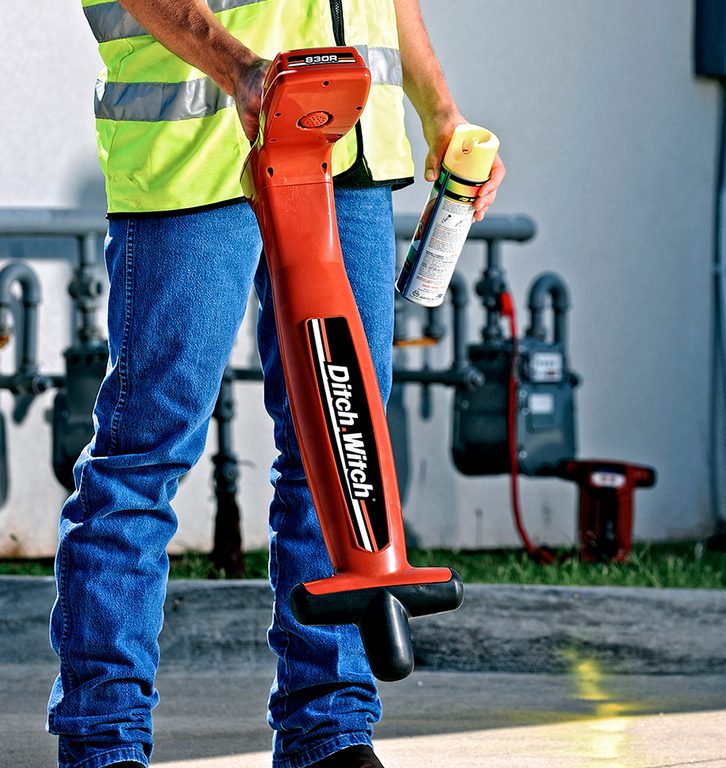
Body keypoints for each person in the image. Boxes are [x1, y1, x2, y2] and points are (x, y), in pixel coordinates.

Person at [48, 2, 505, 767]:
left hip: (347, 156)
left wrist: (442, 115)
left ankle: (328, 732)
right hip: (199, 154)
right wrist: (234, 66)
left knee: (337, 446)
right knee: (144, 454)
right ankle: (104, 739)